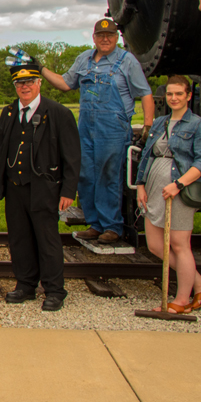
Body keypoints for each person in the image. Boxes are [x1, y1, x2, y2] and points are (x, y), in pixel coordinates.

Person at [41, 19, 154, 245]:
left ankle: (111, 226)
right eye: (101, 35)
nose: (105, 39)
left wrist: (148, 126)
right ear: (94, 37)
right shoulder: (84, 58)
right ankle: (95, 224)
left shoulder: (126, 61)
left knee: (108, 175)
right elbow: (65, 83)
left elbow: (145, 93)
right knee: (85, 175)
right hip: (86, 126)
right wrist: (40, 69)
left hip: (113, 127)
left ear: (117, 38)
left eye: (110, 35)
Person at [0, 64, 80, 312]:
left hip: (44, 188)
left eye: (29, 82)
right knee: (19, 239)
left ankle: (54, 290)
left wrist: (68, 191)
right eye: (20, 84)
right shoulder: (9, 113)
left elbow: (72, 157)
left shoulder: (58, 113)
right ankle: (25, 285)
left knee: (47, 240)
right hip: (15, 188)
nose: (24, 87)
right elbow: (0, 152)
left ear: (39, 83)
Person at [135, 75, 201, 314]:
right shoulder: (160, 123)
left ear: (189, 95)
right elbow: (146, 156)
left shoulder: (198, 125)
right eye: (170, 94)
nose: (174, 98)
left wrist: (178, 184)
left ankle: (182, 300)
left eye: (179, 94)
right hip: (154, 188)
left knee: (180, 246)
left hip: (178, 190)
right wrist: (140, 185)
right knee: (156, 245)